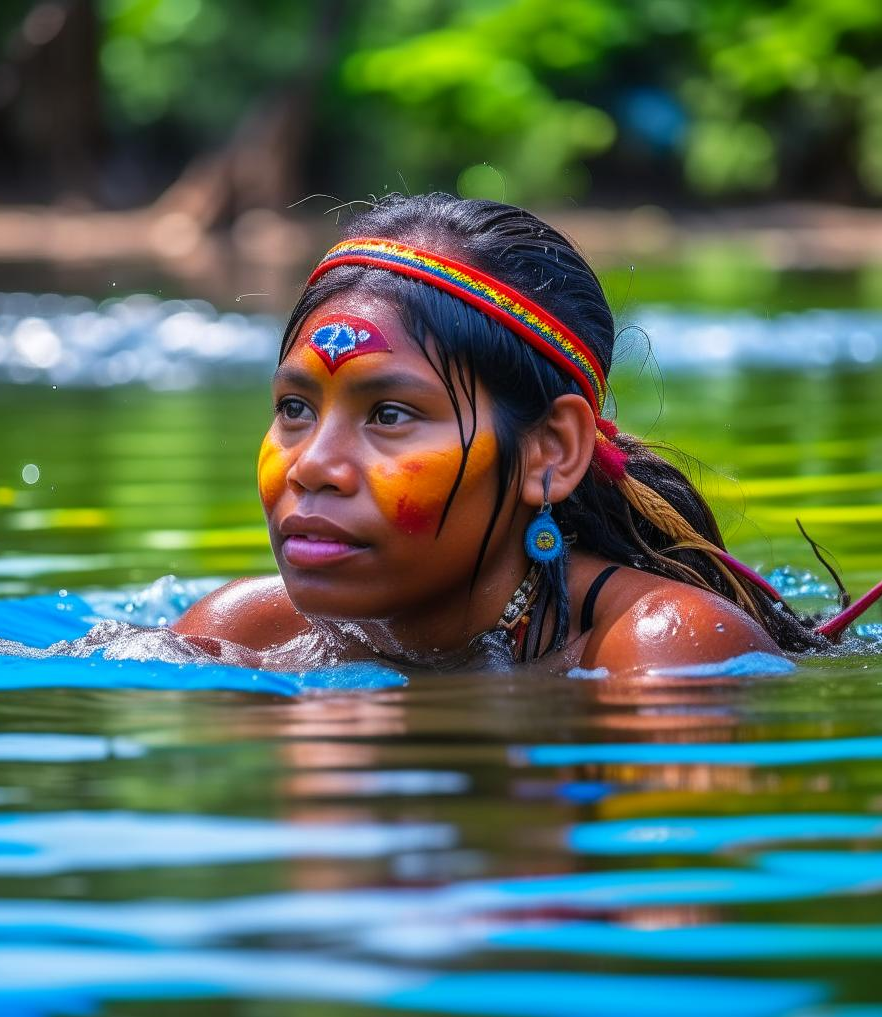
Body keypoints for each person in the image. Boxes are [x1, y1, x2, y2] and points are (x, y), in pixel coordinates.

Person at [173, 192, 843, 675]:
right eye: (295, 407)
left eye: (389, 415)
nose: (311, 464)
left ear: (550, 452)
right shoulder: (238, 634)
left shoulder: (660, 649)